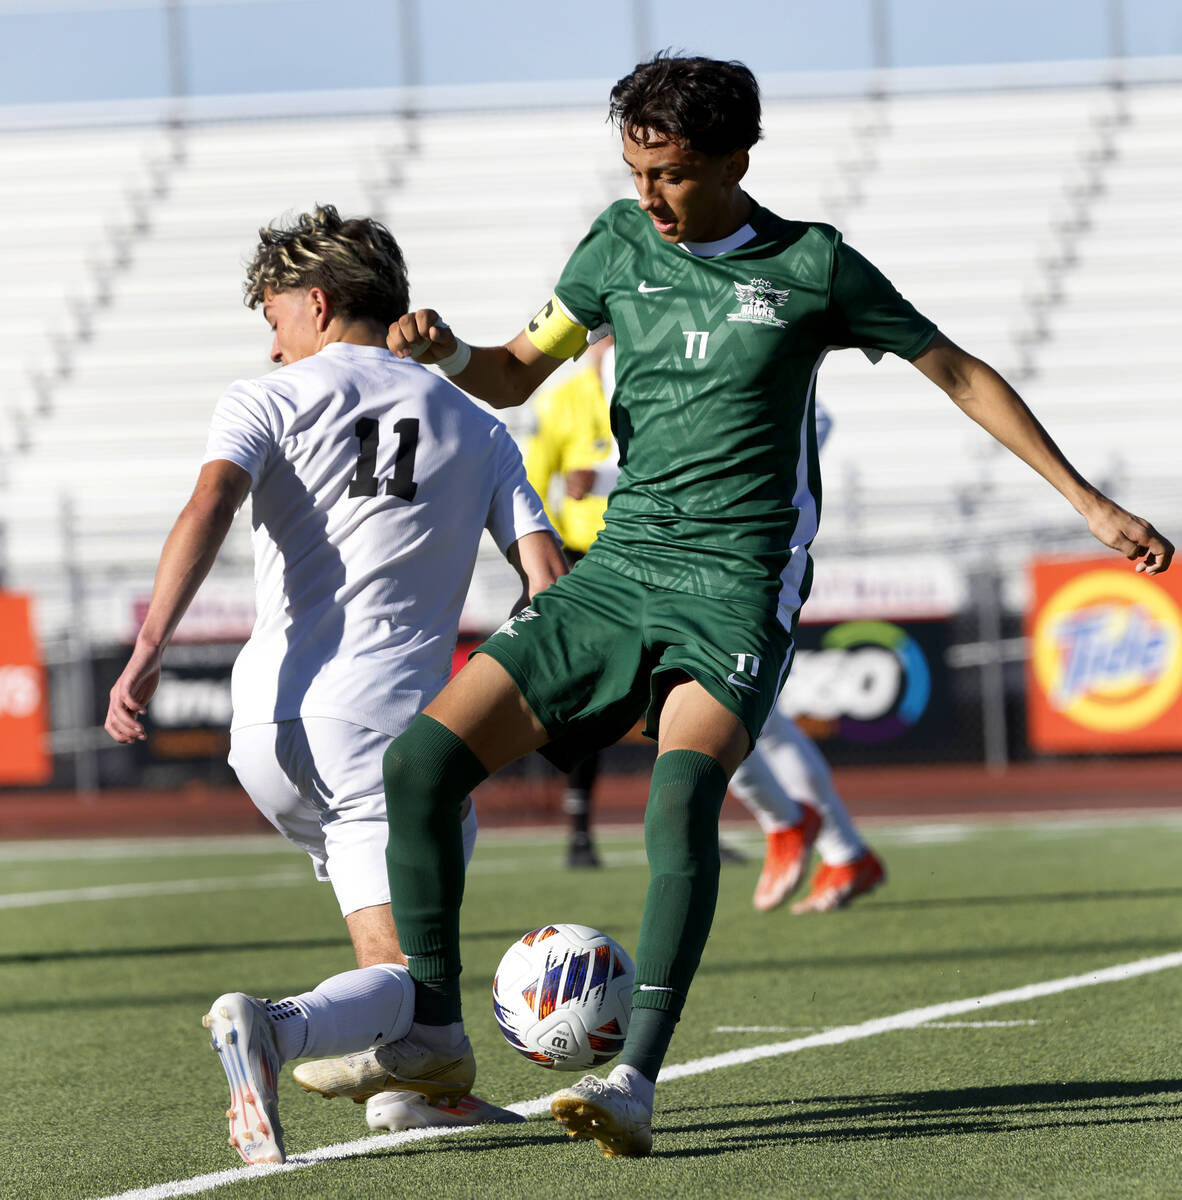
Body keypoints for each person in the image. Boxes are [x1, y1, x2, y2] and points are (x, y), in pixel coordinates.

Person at [290, 54, 1173, 1158]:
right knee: (421, 764)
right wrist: (450, 351)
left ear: (736, 161)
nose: (649, 194)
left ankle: (635, 1080)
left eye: (671, 174)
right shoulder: (616, 244)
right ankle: (428, 1028)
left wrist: (1084, 501)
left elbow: (956, 370)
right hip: (620, 566)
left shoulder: (815, 267)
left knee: (678, 806)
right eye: (636, 169)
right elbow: (517, 372)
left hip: (738, 583)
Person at [104, 205, 566, 1164]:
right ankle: (274, 1027)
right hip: (394, 729)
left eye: (272, 317)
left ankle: (422, 1091)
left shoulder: (263, 400)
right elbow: (548, 582)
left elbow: (210, 504)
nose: (271, 342)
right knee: (419, 964)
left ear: (316, 303)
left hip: (265, 726)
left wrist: (149, 647)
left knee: (389, 934)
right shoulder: (477, 424)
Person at [529, 344, 882, 906]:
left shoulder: (684, 342)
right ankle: (837, 847)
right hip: (621, 571)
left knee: (714, 713)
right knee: (741, 717)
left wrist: (601, 480)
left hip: (717, 565)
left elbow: (790, 426)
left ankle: (806, 832)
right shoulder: (574, 391)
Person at [523, 338, 617, 868]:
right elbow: (533, 484)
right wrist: (548, 561)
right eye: (602, 335)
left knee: (682, 696)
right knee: (585, 700)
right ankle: (579, 831)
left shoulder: (655, 388)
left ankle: (698, 823)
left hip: (657, 556)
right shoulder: (562, 401)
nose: (613, 345)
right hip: (583, 562)